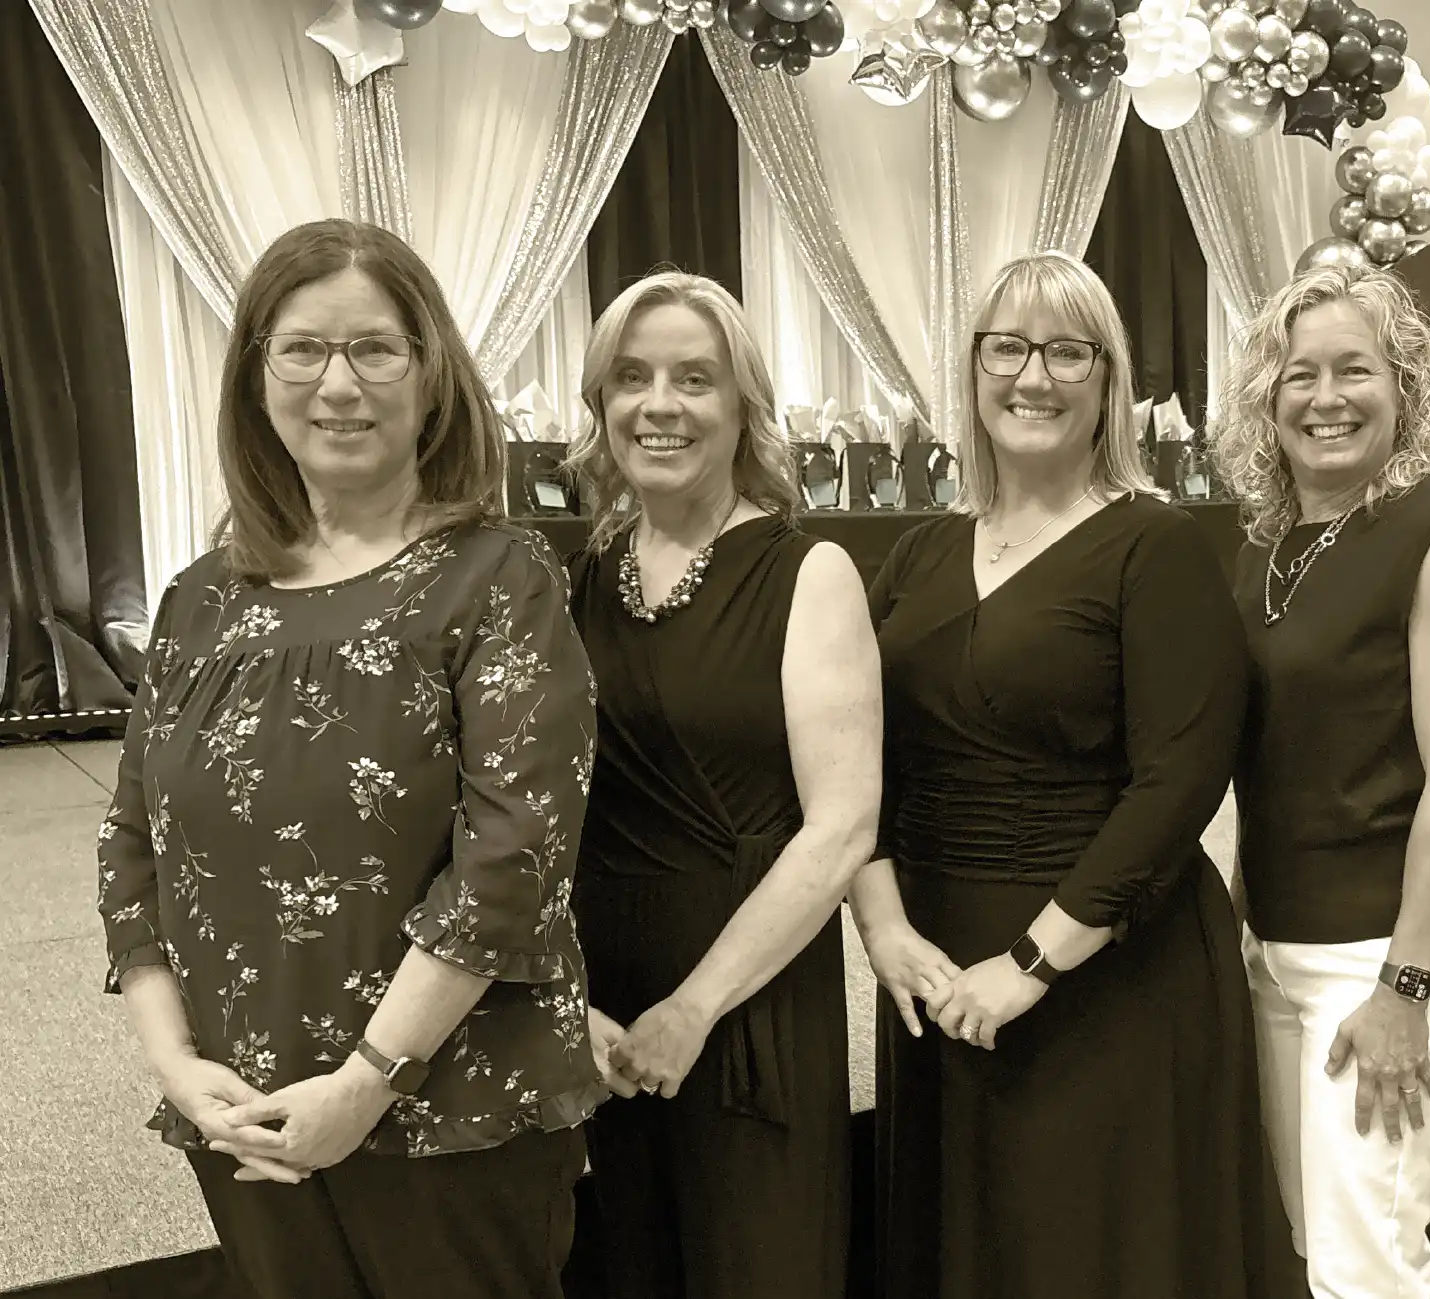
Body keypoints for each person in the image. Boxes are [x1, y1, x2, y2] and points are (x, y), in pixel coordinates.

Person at [96, 219, 602, 1299]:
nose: (339, 384)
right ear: (254, 379)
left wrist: (366, 1083)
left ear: (430, 380)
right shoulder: (201, 599)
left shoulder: (497, 578)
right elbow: (131, 846)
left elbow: (511, 864)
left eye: (376, 349)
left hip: (445, 1109)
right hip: (242, 1110)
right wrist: (179, 1069)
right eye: (302, 351)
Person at [853, 250, 1301, 1299]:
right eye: (1006, 347)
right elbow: (856, 764)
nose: (1033, 376)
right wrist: (883, 932)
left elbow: (1178, 784)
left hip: (1105, 973)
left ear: (1110, 381)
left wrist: (1031, 964)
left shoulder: (1157, 546)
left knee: (1088, 1251)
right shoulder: (917, 554)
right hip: (933, 970)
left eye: (1068, 351)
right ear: (971, 372)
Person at [563, 271, 880, 1299]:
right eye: (633, 377)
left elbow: (840, 830)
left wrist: (693, 1010)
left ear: (742, 405)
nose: (659, 404)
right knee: (633, 1264)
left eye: (694, 378)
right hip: (608, 997)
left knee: (759, 1264)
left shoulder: (806, 572)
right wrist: (567, 1000)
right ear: (600, 402)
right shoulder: (589, 572)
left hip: (745, 1001)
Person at [1213, 265, 1430, 1298]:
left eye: (1355, 371)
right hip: (1283, 948)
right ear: (1267, 396)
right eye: (1299, 375)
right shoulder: (1264, 546)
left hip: (1388, 961)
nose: (1325, 398)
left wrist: (1403, 989)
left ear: (1405, 389)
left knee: (1366, 1268)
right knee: (1319, 1249)